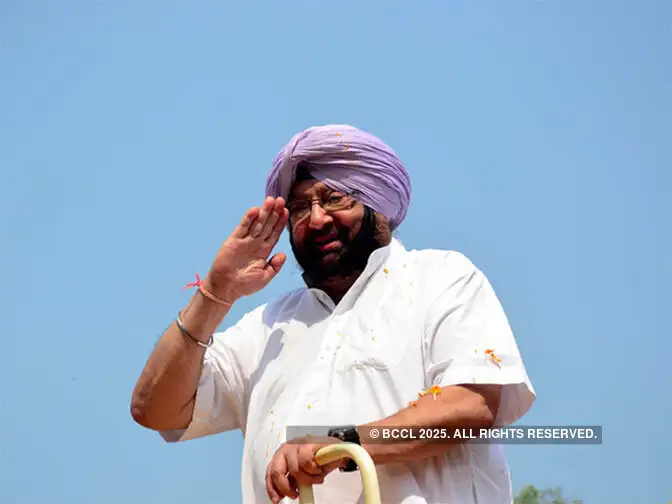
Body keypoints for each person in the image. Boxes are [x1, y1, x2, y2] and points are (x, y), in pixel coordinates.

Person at [130, 124, 536, 504]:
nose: (317, 219)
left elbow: (470, 407)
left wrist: (342, 444)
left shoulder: (439, 278)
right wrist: (215, 294)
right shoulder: (269, 327)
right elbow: (154, 409)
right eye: (300, 207)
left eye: (334, 198)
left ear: (378, 204)